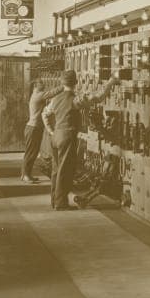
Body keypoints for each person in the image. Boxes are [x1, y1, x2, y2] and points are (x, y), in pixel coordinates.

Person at [41, 70, 119, 210]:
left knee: (56, 170)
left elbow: (44, 114)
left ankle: (54, 200)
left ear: (62, 83)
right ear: (76, 83)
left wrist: (50, 130)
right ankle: (61, 203)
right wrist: (111, 82)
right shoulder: (75, 100)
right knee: (64, 170)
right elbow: (99, 97)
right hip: (67, 137)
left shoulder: (55, 99)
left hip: (55, 137)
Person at [21, 79, 64, 183]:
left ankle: (26, 174)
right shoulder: (38, 95)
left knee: (32, 152)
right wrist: (65, 85)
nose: (43, 84)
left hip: (34, 128)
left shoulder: (37, 94)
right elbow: (51, 93)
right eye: (41, 83)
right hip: (33, 128)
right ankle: (25, 175)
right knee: (31, 153)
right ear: (36, 85)